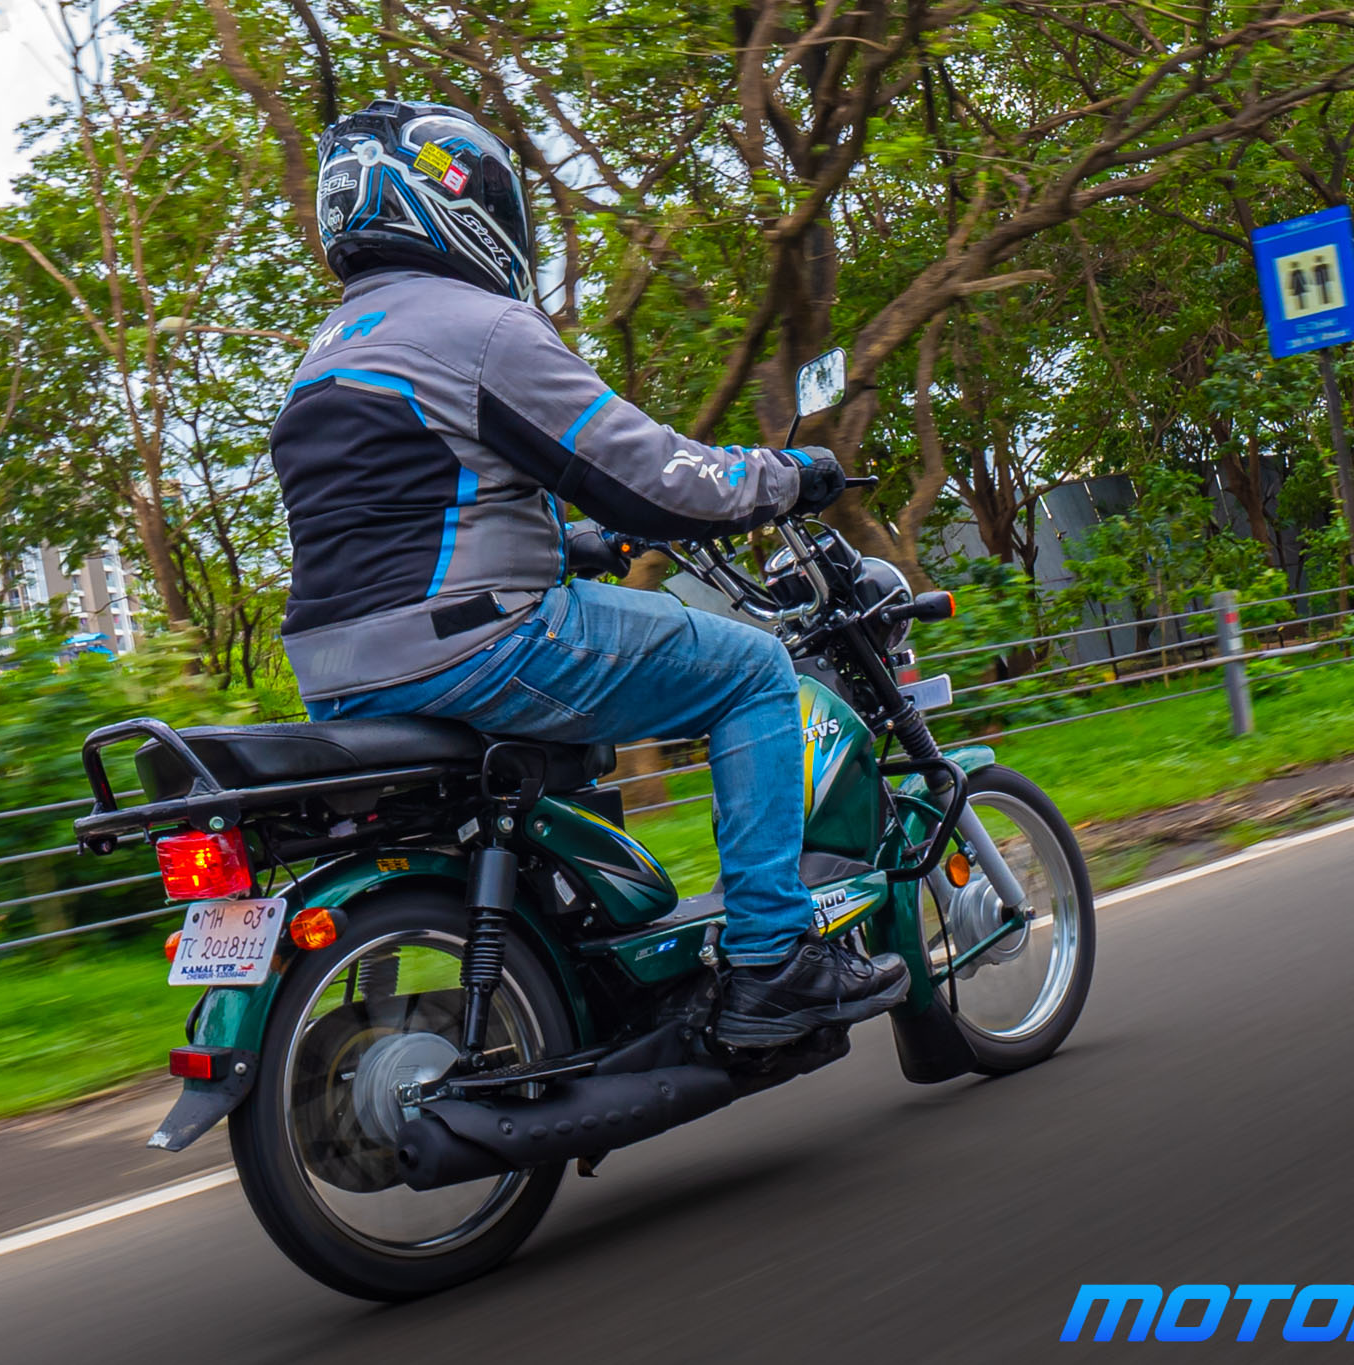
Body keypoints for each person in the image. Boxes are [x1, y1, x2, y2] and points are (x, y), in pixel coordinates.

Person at [271, 100, 907, 1046]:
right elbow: (656, 477)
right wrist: (786, 476)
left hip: (338, 676)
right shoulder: (481, 327)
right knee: (754, 671)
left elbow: (404, 522)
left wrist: (569, 544)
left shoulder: (324, 356)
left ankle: (582, 983)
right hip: (473, 648)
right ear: (450, 205)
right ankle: (773, 958)